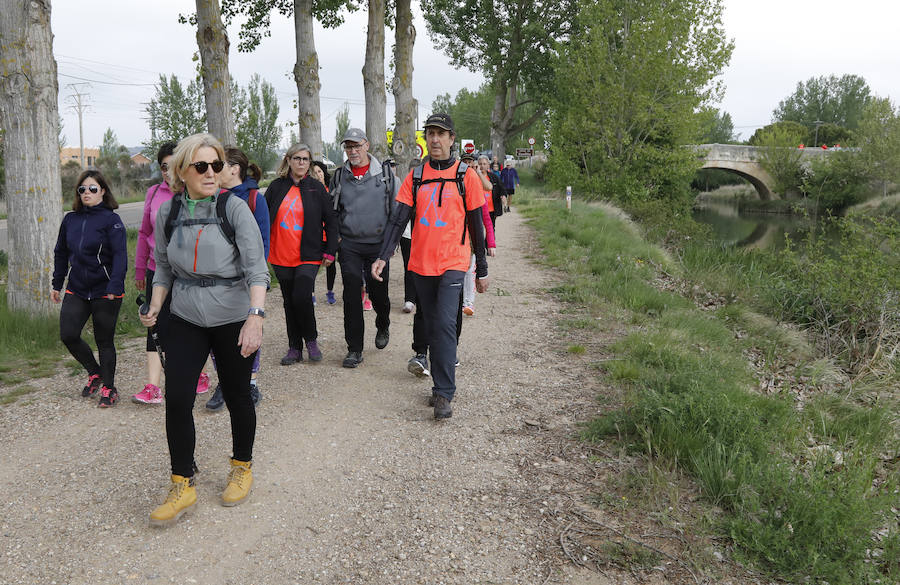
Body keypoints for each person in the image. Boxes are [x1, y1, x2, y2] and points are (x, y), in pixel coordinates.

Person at [140, 133, 269, 526]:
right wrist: (156, 305)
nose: (213, 172)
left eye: (216, 165)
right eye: (202, 166)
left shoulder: (235, 208)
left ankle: (242, 466)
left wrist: (255, 316)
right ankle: (182, 482)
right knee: (178, 398)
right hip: (184, 315)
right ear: (183, 171)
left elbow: (256, 268)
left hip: (232, 315)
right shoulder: (169, 212)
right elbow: (163, 266)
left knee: (236, 394)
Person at [373, 113, 490, 419]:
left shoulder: (467, 177)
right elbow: (398, 219)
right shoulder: (416, 176)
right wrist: (383, 256)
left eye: (441, 134)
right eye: (430, 134)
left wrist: (482, 269)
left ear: (452, 139)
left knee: (444, 325)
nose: (435, 139)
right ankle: (439, 383)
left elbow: (477, 225)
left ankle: (443, 394)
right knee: (428, 324)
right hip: (421, 264)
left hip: (454, 262)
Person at [133, 142, 214, 404]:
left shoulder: (193, 195)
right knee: (154, 323)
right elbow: (145, 232)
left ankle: (198, 373)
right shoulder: (154, 193)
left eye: (173, 166)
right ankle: (153, 386)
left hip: (187, 273)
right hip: (158, 270)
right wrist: (139, 267)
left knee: (190, 325)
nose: (168, 172)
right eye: (164, 167)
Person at [52, 169, 127, 407]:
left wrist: (115, 285)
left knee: (104, 341)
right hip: (78, 287)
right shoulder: (70, 219)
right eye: (82, 189)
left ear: (103, 192)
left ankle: (109, 388)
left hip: (106, 289)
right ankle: (95, 372)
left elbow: (120, 256)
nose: (87, 193)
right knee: (68, 334)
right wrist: (57, 282)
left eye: (93, 189)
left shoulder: (111, 220)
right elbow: (61, 252)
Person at [205, 146, 271, 411]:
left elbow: (263, 241)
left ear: (233, 169)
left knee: (249, 329)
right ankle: (224, 382)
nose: (212, 171)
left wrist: (256, 277)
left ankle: (250, 383)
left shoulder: (254, 198)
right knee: (214, 331)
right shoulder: (209, 197)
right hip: (215, 278)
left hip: (245, 278)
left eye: (218, 165)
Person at [330, 128, 398, 368]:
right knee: (351, 294)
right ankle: (354, 349)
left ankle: (383, 322)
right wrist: (337, 239)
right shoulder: (339, 176)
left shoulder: (387, 175)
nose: (353, 151)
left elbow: (396, 215)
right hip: (349, 245)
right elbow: (333, 211)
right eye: (348, 147)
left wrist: (389, 247)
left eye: (357, 146)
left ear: (367, 145)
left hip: (378, 245)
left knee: (378, 292)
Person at [266, 144, 339, 366]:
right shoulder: (276, 187)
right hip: (280, 253)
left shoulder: (316, 188)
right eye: (297, 158)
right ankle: (294, 347)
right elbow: (263, 218)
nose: (301, 163)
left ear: (309, 163)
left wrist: (330, 251)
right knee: (289, 301)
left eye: (305, 159)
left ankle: (311, 340)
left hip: (309, 253)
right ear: (288, 160)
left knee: (301, 296)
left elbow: (332, 221)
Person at [310, 160, 338, 306]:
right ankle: (312, 293)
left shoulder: (331, 191)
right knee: (313, 264)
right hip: (315, 234)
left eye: (319, 172)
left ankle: (330, 291)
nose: (317, 175)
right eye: (314, 173)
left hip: (330, 234)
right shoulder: (309, 192)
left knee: (330, 264)